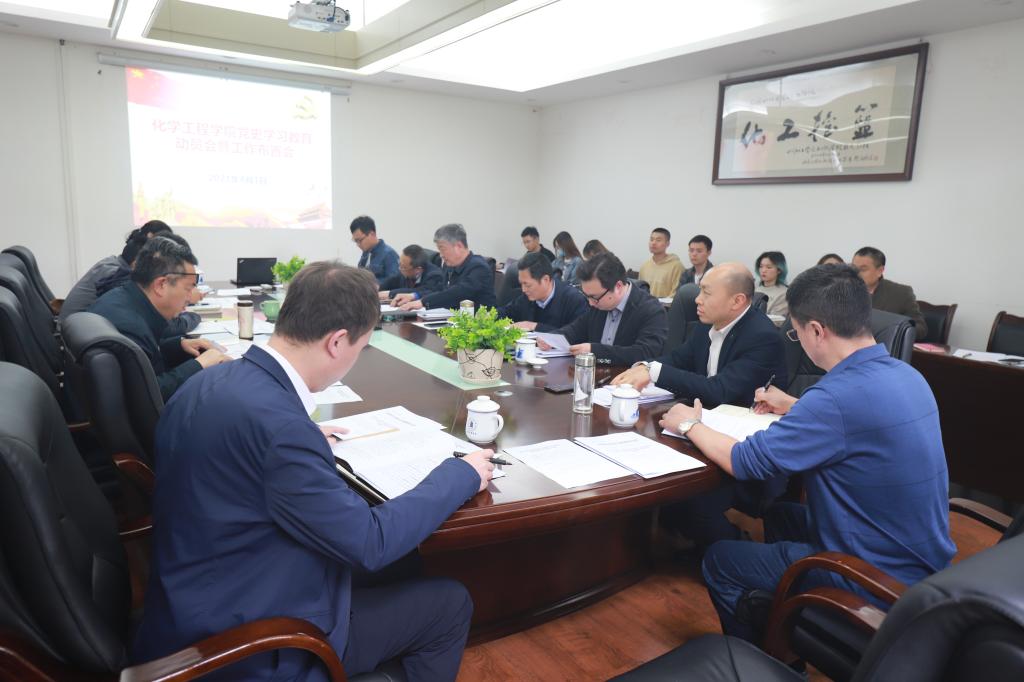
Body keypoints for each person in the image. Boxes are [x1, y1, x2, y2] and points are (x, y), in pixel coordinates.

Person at [131, 262, 495, 681]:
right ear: (337, 342)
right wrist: (461, 474)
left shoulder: (210, 382)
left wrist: (300, 438)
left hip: (190, 596)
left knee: (407, 563)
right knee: (449, 603)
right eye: (360, 348)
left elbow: (238, 451)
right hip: (253, 640)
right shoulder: (280, 431)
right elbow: (370, 542)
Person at [659, 264, 955, 644]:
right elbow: (859, 421)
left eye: (795, 333)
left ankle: (764, 659)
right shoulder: (907, 375)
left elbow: (744, 461)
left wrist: (688, 423)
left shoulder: (834, 398)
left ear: (816, 331)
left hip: (873, 576)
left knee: (720, 560)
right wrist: (795, 405)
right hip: (922, 563)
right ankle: (786, 615)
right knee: (781, 515)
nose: (796, 340)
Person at [612, 263, 788, 548]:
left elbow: (720, 390)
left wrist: (655, 372)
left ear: (737, 301)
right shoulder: (708, 325)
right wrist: (645, 366)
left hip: (740, 452)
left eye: (706, 292)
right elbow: (678, 359)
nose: (697, 299)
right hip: (698, 433)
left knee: (689, 503)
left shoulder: (762, 337)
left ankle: (734, 549)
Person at [88, 236, 231, 400]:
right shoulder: (130, 327)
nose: (190, 297)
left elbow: (144, 358)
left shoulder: (122, 298)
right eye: (188, 288)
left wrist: (179, 345)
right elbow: (150, 396)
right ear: (161, 285)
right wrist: (200, 364)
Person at [544, 252, 667, 366]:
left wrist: (595, 351)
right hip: (595, 374)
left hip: (627, 379)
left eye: (594, 297)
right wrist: (551, 339)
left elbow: (644, 354)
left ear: (618, 286)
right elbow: (576, 329)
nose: (590, 303)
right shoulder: (598, 303)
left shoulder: (651, 310)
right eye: (586, 296)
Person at [60, 219, 172, 321]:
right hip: (76, 332)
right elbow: (134, 314)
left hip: (79, 328)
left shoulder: (112, 264)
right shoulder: (115, 274)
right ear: (137, 262)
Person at [394, 224, 496, 310]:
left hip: (478, 323)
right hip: (451, 320)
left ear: (459, 246)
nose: (441, 255)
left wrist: (423, 302)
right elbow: (439, 290)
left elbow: (457, 293)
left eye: (442, 249)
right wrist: (413, 296)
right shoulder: (449, 266)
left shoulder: (478, 267)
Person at [497, 252, 588, 332]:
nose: (523, 289)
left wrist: (534, 326)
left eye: (527, 285)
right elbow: (507, 312)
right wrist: (490, 315)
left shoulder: (574, 300)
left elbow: (574, 335)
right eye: (521, 284)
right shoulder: (527, 297)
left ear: (545, 279)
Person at [852, 246, 927, 338]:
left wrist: (893, 330)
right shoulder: (843, 290)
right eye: (854, 269)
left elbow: (920, 329)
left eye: (863, 269)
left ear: (880, 271)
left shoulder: (901, 293)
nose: (856, 274)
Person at [379, 244, 443, 301]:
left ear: (418, 270)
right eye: (399, 264)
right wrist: (378, 288)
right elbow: (393, 280)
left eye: (403, 267)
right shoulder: (405, 270)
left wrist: (390, 293)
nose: (400, 269)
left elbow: (421, 291)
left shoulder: (434, 276)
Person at [350, 215, 399, 286]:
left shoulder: (389, 254)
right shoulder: (365, 254)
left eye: (360, 240)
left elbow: (395, 282)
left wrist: (370, 284)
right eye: (355, 241)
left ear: (372, 234)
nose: (358, 244)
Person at [638, 228, 685, 298]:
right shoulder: (644, 266)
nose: (653, 243)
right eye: (651, 239)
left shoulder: (677, 266)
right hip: (645, 304)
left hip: (666, 304)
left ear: (667, 244)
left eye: (658, 240)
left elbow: (677, 293)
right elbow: (639, 290)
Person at [754, 251, 789, 317]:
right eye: (761, 266)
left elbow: (776, 320)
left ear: (779, 270)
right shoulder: (753, 289)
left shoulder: (784, 293)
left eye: (769, 267)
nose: (763, 270)